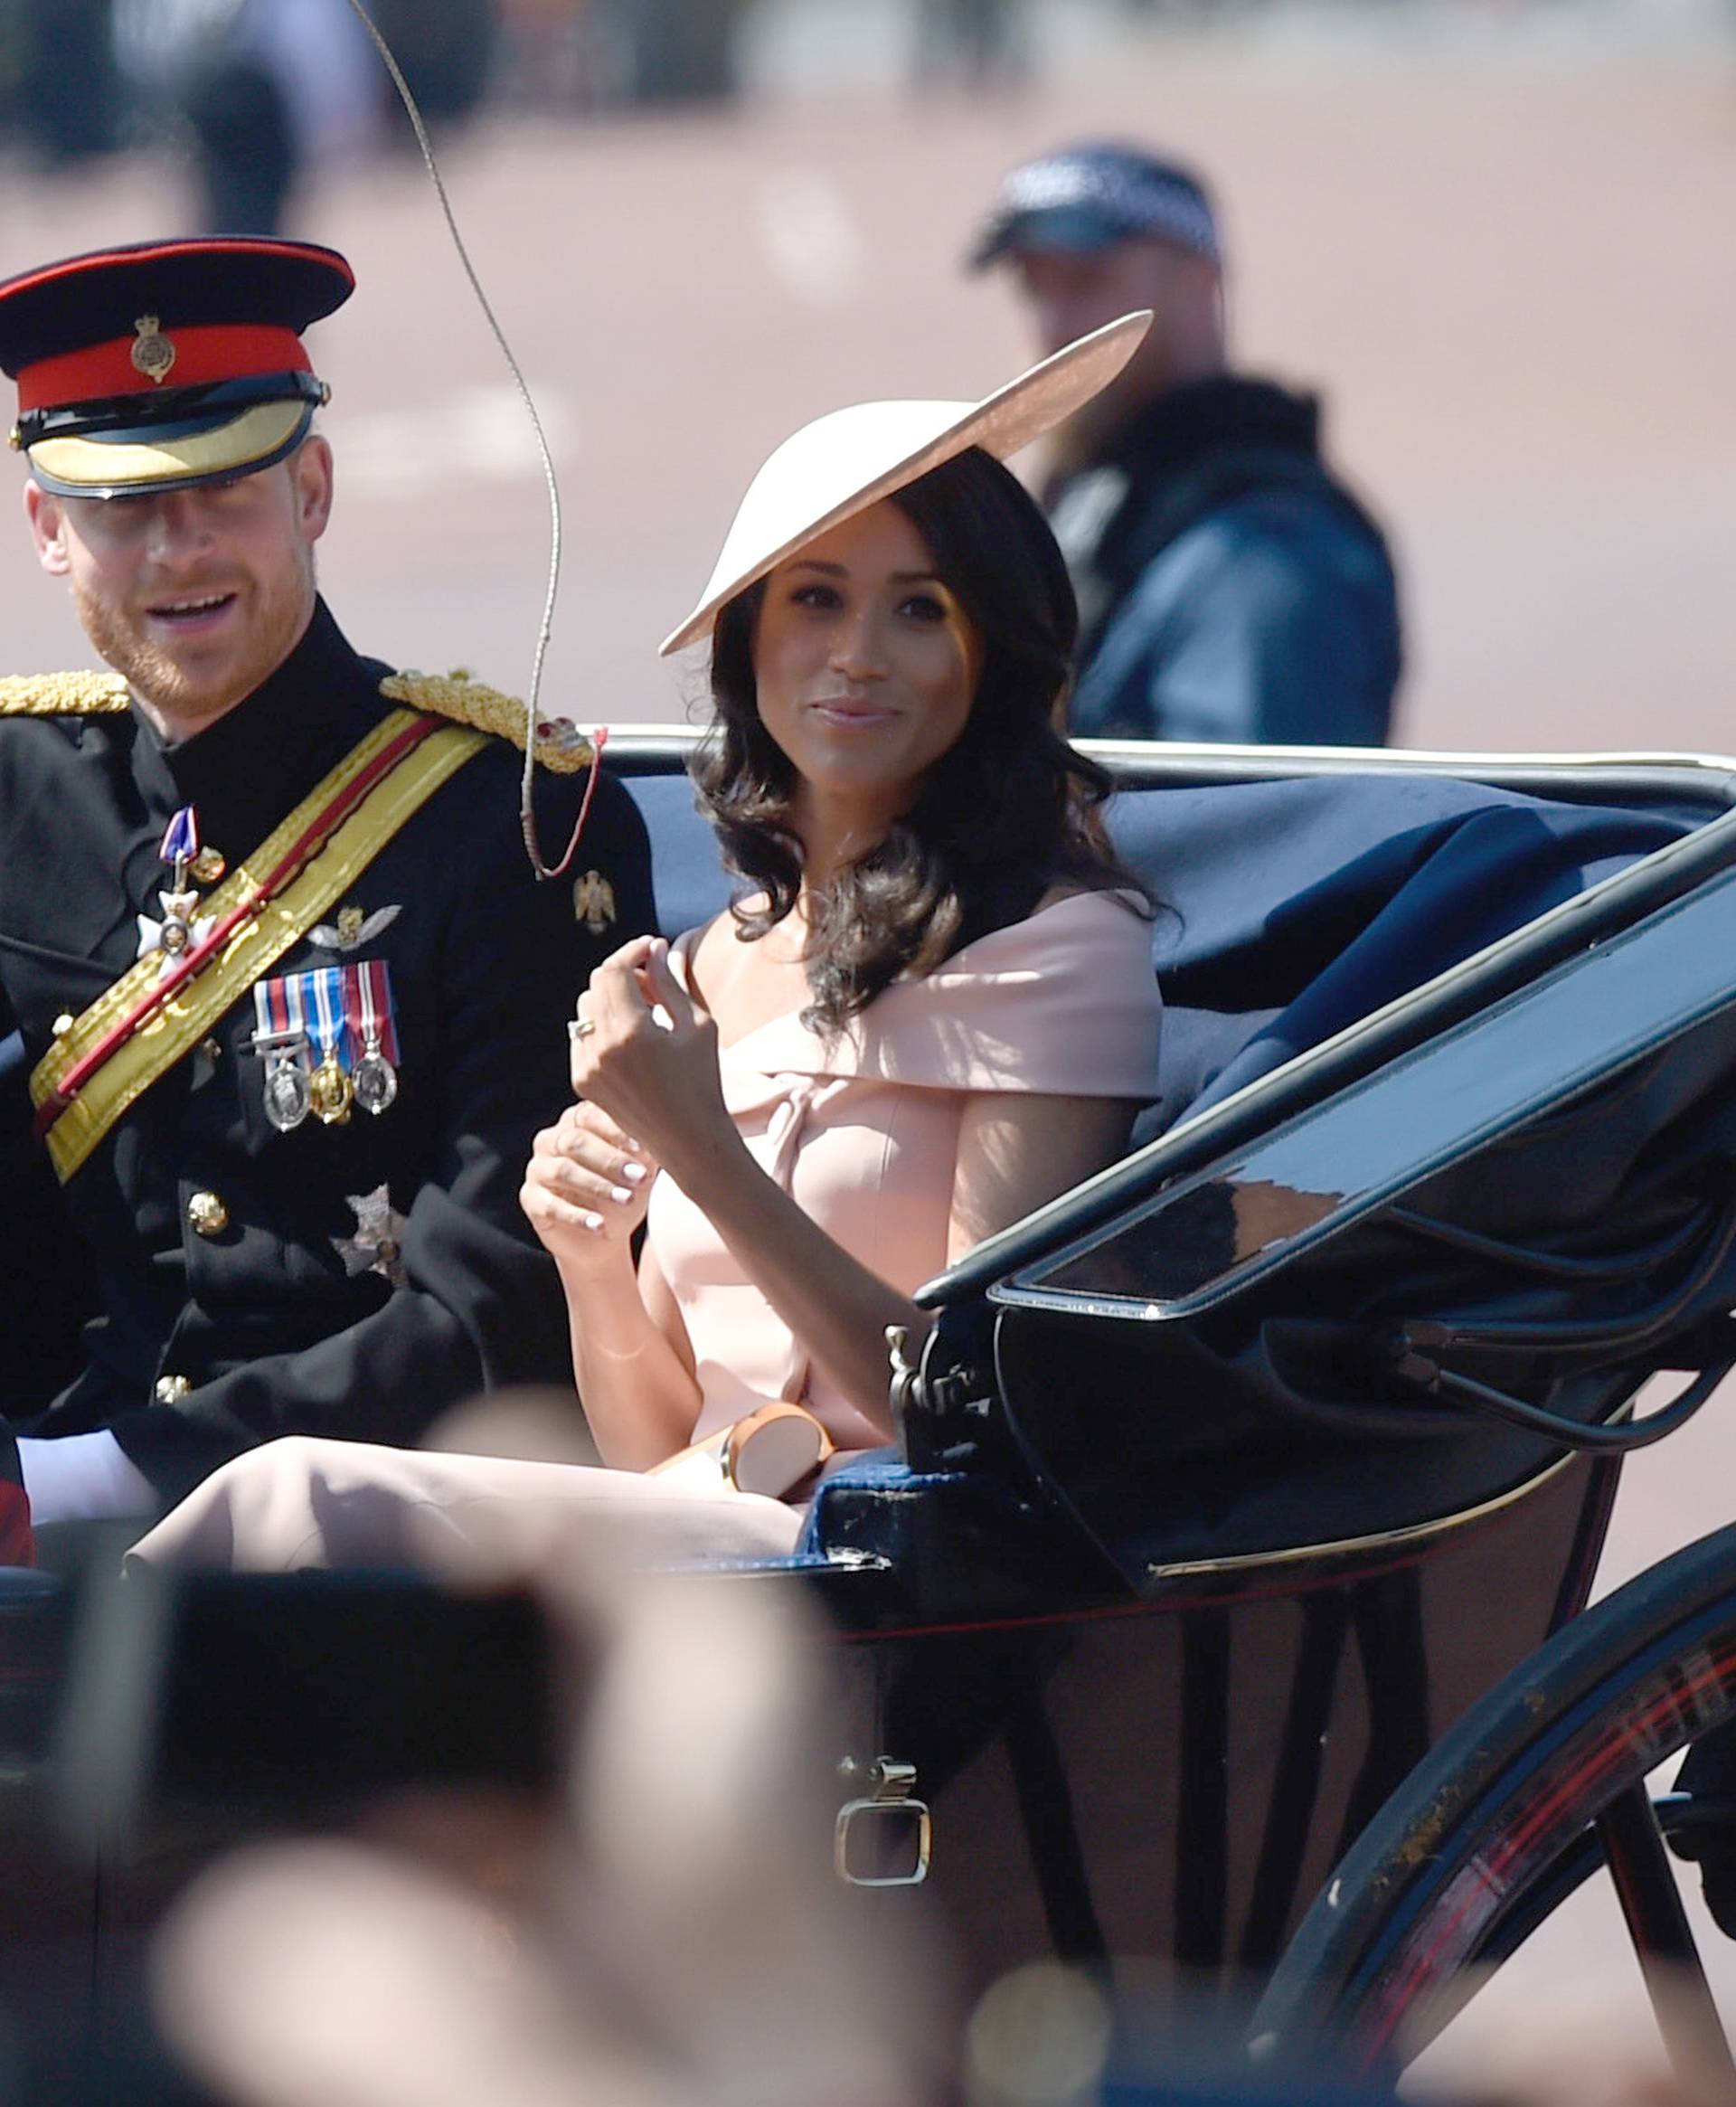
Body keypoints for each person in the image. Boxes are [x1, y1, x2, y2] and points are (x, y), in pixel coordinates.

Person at [127, 312, 1166, 1573]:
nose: (856, 655)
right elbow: (653, 1441)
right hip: (705, 1546)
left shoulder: (1061, 946)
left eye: (919, 610)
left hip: (891, 1563)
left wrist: (700, 1147)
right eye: (816, 600)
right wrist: (589, 1265)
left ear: (990, 648)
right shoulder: (711, 966)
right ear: (751, 642)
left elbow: (965, 1408)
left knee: (291, 1502)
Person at [0, 235, 656, 1544]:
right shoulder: (22, 787)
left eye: (226, 493)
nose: (179, 552)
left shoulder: (518, 816)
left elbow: (506, 1311)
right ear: (48, 533)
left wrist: (88, 1481)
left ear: (312, 489)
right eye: (124, 509)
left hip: (373, 1559)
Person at [967, 141, 1402, 749]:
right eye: (1033, 289)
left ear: (1200, 286)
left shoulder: (1263, 554)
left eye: (1087, 281)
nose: (1051, 330)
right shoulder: (1117, 494)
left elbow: (1262, 826)